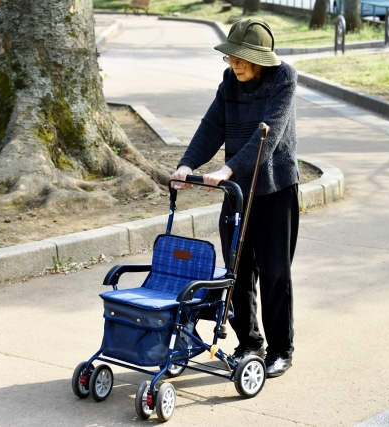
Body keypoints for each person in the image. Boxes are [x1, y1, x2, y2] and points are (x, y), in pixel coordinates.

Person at [170, 18, 299, 378]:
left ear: (260, 59)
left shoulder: (284, 78)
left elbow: (268, 138)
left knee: (275, 273)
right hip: (239, 193)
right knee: (237, 271)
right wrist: (187, 164)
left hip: (275, 189)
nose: (233, 65)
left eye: (241, 59)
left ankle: (281, 349)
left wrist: (227, 170)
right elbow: (212, 126)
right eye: (231, 58)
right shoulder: (229, 82)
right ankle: (249, 342)